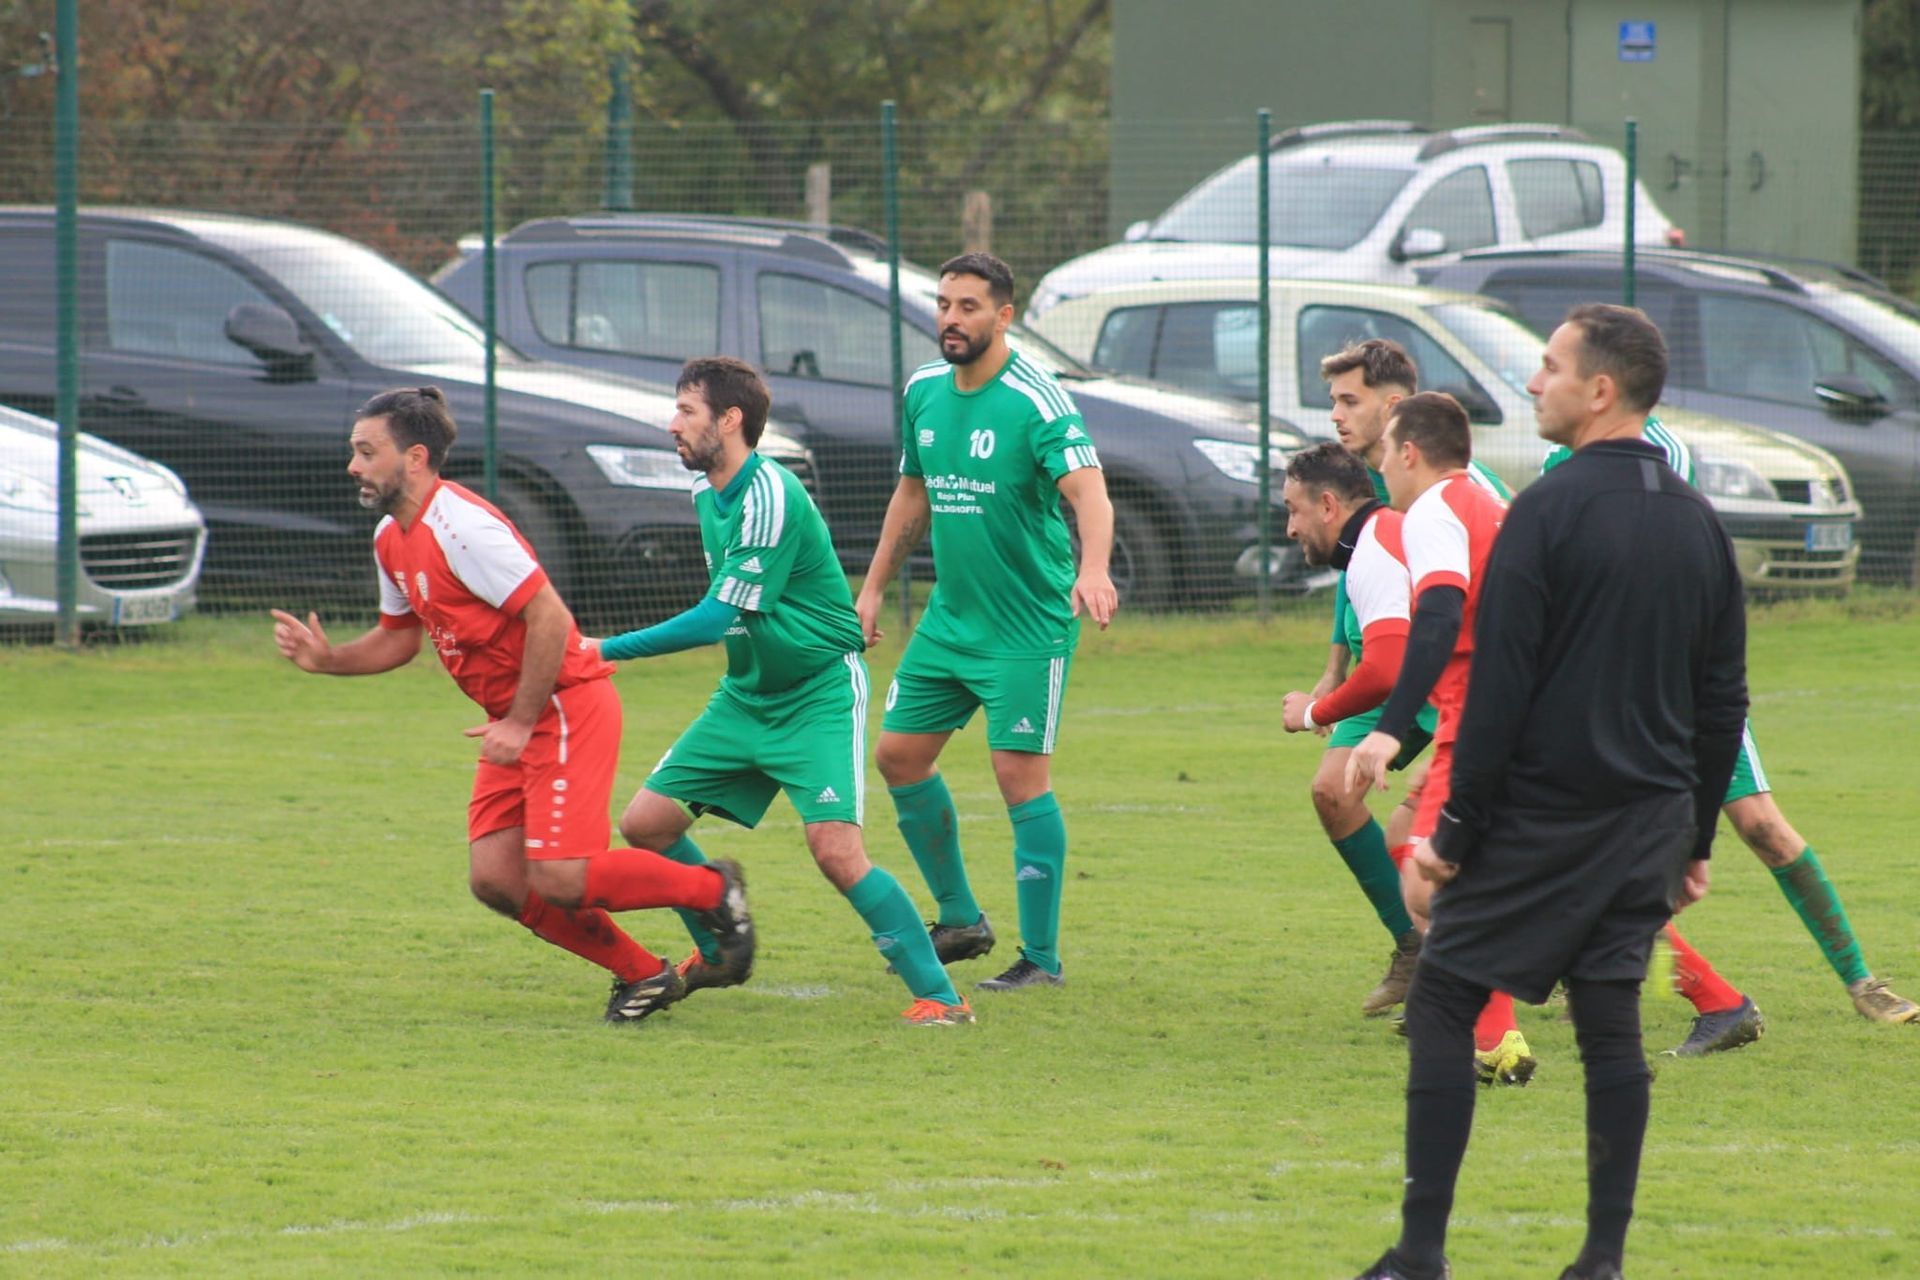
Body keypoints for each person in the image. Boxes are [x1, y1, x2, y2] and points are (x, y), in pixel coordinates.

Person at [1352, 304, 1748, 1280]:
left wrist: (1454, 827)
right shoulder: (1700, 524)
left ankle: (1421, 1253)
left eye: (1550, 365)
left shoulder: (1547, 510)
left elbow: (1502, 684)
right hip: (1650, 819)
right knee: (1610, 1022)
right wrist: (1695, 837)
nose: (1534, 382)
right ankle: (1600, 1259)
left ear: (1600, 389)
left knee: (1443, 1002)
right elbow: (1722, 696)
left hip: (1546, 815)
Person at [271, 386, 751, 1026]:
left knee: (560, 878)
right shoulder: (392, 536)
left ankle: (714, 889)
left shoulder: (462, 528)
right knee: (497, 879)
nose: (353, 466)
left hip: (564, 706)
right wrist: (327, 660)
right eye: (353, 452)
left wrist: (522, 720)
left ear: (415, 458)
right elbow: (397, 638)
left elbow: (550, 619)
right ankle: (642, 972)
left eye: (366, 452)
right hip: (516, 720)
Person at [602, 357, 973, 1026]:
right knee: (646, 826)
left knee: (835, 850)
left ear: (731, 419)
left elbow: (718, 617)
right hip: (747, 695)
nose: (673, 424)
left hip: (817, 693)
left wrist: (598, 651)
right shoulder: (704, 492)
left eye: (686, 411)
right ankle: (717, 946)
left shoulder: (769, 492)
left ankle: (942, 1001)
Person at [1539, 418, 1919, 1050]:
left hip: (1682, 687)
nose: (1541, 386)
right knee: (1601, 847)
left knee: (1762, 828)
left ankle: (1863, 983)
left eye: (1556, 368)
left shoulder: (1664, 452)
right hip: (1610, 693)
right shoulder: (1559, 463)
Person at [855, 251, 1118, 993]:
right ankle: (961, 917)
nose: (950, 319)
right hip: (951, 619)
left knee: (1018, 777)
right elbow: (913, 495)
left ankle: (1042, 958)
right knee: (898, 755)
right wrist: (872, 589)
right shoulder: (924, 392)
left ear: (1003, 316)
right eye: (943, 304)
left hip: (1027, 626)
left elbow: (1090, 495)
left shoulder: (1036, 398)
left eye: (969, 307)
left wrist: (1092, 570)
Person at [1304, 340, 1510, 1018]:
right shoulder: (1400, 495)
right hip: (1437, 674)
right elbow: (1361, 575)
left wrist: (1380, 725)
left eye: (1349, 401)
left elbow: (1437, 611)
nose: (1335, 415)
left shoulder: (1437, 501)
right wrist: (1335, 663)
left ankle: (1484, 1004)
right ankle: (1431, 962)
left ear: (1396, 416)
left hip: (1451, 681)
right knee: (1393, 829)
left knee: (1445, 856)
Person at [1343, 392, 1533, 1088]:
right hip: (1514, 713)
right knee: (1459, 866)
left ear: (1410, 453)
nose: (1380, 466)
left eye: (1384, 451)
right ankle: (1488, 1028)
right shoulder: (1482, 503)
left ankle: (1496, 1038)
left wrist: (1390, 731)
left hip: (1481, 719)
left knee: (1429, 877)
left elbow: (1440, 614)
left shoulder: (1428, 512)